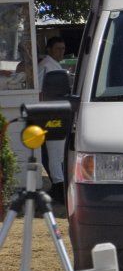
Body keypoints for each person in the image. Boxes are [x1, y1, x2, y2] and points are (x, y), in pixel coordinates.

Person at [38, 36, 68, 199]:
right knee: (54, 152)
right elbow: (39, 91)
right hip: (50, 113)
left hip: (57, 112)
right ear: (49, 49)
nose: (61, 52)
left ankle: (59, 185)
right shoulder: (46, 66)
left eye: (63, 49)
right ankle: (58, 187)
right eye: (58, 49)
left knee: (57, 153)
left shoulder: (54, 65)